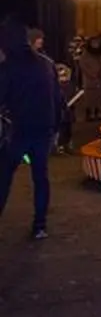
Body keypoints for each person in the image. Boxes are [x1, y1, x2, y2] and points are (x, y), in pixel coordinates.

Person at [0, 18, 62, 240]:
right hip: (44, 126)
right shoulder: (46, 63)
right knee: (40, 176)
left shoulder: (9, 66)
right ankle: (40, 225)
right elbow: (57, 98)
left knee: (4, 174)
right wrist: (57, 127)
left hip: (19, 127)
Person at [78, 34, 101, 121]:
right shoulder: (86, 53)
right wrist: (91, 73)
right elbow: (82, 64)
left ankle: (97, 113)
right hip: (89, 80)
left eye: (97, 42)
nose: (95, 44)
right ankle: (88, 114)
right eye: (93, 42)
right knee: (89, 98)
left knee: (98, 97)